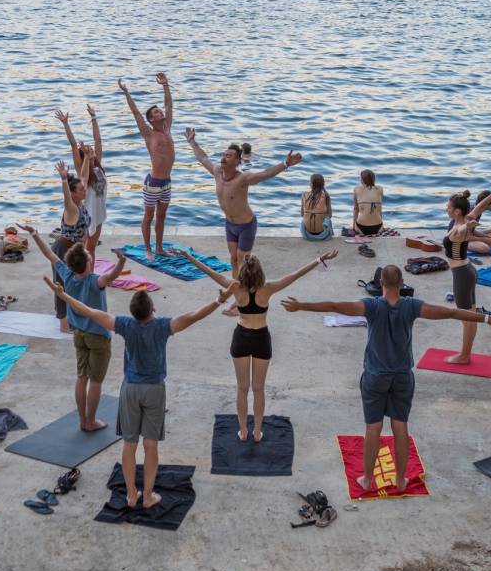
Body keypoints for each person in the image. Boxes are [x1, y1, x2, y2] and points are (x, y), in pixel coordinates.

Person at [282, 265, 491, 492]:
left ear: (381, 283)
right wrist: (487, 319)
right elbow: (450, 312)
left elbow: (333, 306)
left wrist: (301, 306)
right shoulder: (412, 306)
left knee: (373, 428)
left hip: (375, 376)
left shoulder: (370, 306)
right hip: (402, 376)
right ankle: (401, 480)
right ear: (402, 284)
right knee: (400, 426)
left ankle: (368, 479)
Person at [44, 277, 234, 510]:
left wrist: (63, 296)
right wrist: (219, 300)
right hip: (154, 389)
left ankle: (132, 494)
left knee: (129, 444)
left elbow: (91, 312)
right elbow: (193, 316)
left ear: (133, 312)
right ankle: (147, 496)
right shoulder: (163, 326)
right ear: (152, 308)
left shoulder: (125, 325)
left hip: (130, 389)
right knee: (151, 445)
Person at [175, 248, 338, 441]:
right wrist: (320, 259)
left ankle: (243, 431)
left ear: (243, 272)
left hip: (242, 337)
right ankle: (258, 432)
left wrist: (188, 256)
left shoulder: (235, 287)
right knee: (258, 388)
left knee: (242, 388)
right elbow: (295, 275)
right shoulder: (267, 288)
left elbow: (210, 272)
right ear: (260, 272)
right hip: (261, 337)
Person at [185, 126, 302, 312]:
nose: (223, 157)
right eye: (224, 154)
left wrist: (285, 164)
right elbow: (202, 157)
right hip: (229, 224)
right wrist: (192, 141)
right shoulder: (217, 172)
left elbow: (264, 175)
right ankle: (236, 292)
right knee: (233, 260)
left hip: (246, 225)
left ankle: (243, 297)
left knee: (242, 261)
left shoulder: (243, 178)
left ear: (237, 162)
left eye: (228, 156)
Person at [21, 224, 124, 431]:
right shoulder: (95, 281)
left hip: (78, 335)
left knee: (81, 377)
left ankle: (82, 420)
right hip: (98, 337)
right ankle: (91, 421)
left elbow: (49, 254)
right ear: (88, 264)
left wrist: (34, 234)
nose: (90, 255)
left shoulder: (67, 275)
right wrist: (121, 262)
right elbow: (112, 277)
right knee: (95, 381)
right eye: (88, 254)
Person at [443, 181, 491, 364]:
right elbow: (480, 206)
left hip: (461, 275)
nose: (446, 209)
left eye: (449, 207)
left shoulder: (460, 227)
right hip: (468, 270)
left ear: (457, 211)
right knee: (470, 316)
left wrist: (469, 226)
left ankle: (464, 355)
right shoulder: (466, 218)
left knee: (467, 318)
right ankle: (466, 353)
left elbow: (460, 230)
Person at [118, 74, 174, 258]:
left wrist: (165, 85)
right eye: (156, 112)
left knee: (162, 216)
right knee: (149, 216)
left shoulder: (167, 128)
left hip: (166, 182)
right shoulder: (149, 134)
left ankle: (159, 247)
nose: (161, 113)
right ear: (150, 119)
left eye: (160, 111)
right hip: (153, 183)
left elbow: (169, 104)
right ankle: (148, 249)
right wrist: (127, 93)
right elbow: (135, 113)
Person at [48, 136, 93, 333]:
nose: (85, 190)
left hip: (75, 250)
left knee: (75, 284)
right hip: (62, 249)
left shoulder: (80, 201)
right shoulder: (72, 209)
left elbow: (83, 177)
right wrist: (64, 180)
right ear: (74, 194)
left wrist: (88, 159)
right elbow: (67, 196)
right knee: (62, 286)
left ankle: (73, 315)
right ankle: (63, 323)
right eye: (81, 190)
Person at [56, 106, 107, 257]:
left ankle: (89, 275)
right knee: (86, 250)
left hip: (99, 211)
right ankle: (84, 274)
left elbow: (98, 139)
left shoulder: (98, 168)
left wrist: (94, 118)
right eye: (89, 151)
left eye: (92, 150)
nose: (92, 151)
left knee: (92, 249)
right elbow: (73, 144)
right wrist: (66, 124)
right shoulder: (82, 172)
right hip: (88, 213)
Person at [301, 173, 333, 240]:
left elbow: (302, 214)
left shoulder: (304, 195)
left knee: (303, 220)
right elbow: (330, 215)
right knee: (327, 219)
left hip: (307, 234)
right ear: (322, 184)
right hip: (322, 235)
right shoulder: (326, 196)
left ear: (311, 184)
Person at [353, 170, 384, 236]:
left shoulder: (356, 189)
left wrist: (353, 226)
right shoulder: (380, 189)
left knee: (357, 223)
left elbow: (356, 209)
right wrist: (381, 224)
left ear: (362, 179)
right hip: (378, 227)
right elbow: (379, 209)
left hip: (361, 227)